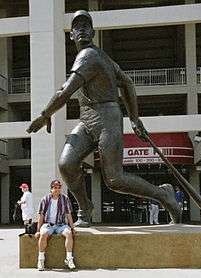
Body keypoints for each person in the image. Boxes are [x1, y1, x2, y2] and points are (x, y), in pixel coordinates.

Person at [27, 10, 181, 227]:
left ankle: (163, 195)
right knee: (67, 163)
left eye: (86, 26)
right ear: (71, 35)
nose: (81, 30)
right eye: (77, 27)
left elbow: (67, 92)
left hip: (107, 118)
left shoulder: (89, 55)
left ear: (93, 32)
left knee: (114, 178)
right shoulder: (97, 58)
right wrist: (134, 118)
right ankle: (85, 208)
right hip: (88, 118)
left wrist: (44, 115)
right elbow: (125, 83)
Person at [35, 179, 75, 271]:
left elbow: (68, 214)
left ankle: (69, 258)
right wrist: (37, 231)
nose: (57, 189)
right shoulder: (45, 199)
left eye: (59, 188)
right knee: (43, 234)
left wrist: (72, 228)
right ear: (51, 189)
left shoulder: (65, 199)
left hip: (61, 224)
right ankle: (41, 259)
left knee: (69, 234)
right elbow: (41, 215)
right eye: (55, 188)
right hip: (48, 224)